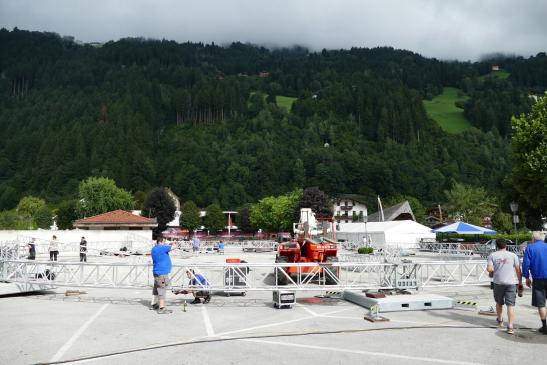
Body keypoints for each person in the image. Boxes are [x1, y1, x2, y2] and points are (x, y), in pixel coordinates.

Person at [487, 238, 522, 334]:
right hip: (511, 283)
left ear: (496, 246)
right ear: (506, 245)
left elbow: (489, 269)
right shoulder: (513, 255)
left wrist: (493, 272)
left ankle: (500, 321)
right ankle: (510, 326)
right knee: (510, 305)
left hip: (498, 283)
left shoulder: (492, 255)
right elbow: (518, 270)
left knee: (499, 303)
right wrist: (520, 283)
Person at [522, 231, 547, 334]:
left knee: (541, 303)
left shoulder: (530, 248)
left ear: (533, 238)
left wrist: (527, 277)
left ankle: (544, 327)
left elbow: (525, 264)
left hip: (538, 279)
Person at [151, 237, 177, 314]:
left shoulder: (154, 249)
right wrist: (172, 242)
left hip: (157, 272)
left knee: (156, 289)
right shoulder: (161, 248)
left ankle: (154, 304)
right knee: (162, 289)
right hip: (162, 273)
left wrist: (167, 244)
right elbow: (175, 246)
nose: (165, 243)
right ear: (161, 242)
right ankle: (161, 308)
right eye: (164, 242)